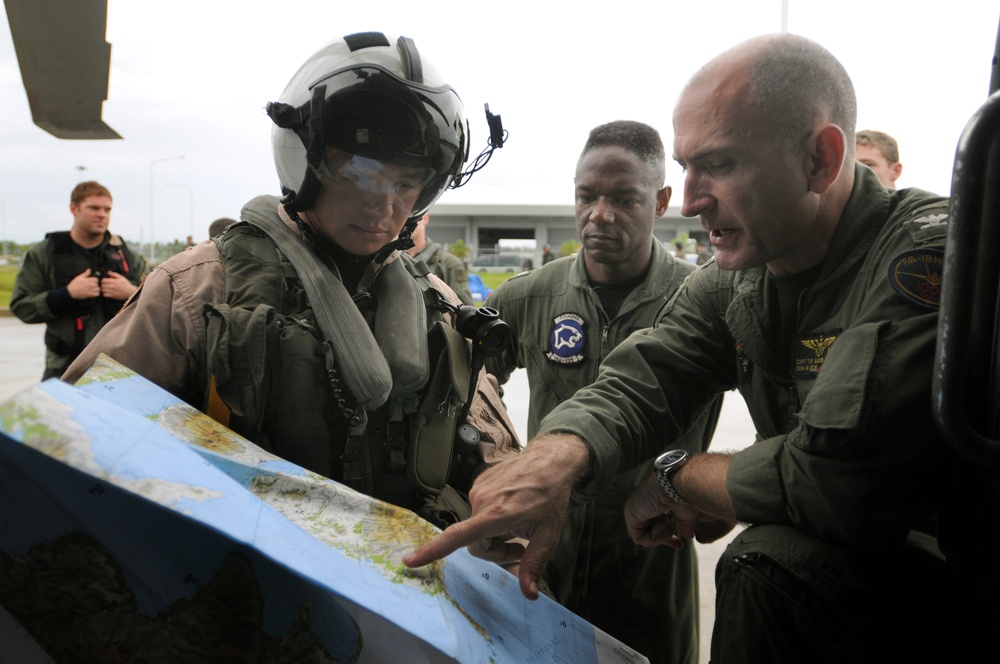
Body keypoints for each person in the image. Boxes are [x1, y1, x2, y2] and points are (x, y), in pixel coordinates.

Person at [406, 33, 971, 662]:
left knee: (767, 561)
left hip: (931, 600)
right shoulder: (737, 278)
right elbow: (652, 372)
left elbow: (836, 478)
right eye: (686, 168)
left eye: (722, 164)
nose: (695, 198)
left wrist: (683, 477)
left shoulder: (929, 257)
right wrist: (554, 457)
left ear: (820, 159)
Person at [64, 32, 520, 529]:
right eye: (362, 175)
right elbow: (74, 442)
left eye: (406, 184)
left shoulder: (439, 305)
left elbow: (497, 457)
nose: (385, 205)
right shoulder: (197, 290)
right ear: (308, 164)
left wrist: (505, 521)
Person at [484, 120, 722, 664]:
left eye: (623, 198)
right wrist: (495, 469)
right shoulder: (526, 298)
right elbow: (460, 394)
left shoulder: (708, 302)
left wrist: (714, 497)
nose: (599, 214)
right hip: (546, 562)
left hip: (655, 568)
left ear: (662, 201)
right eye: (586, 196)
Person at [11, 181, 149, 380]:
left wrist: (131, 293)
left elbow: (158, 306)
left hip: (119, 369)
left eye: (107, 209)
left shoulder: (126, 256)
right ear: (74, 209)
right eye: (93, 208)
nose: (102, 214)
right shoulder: (45, 253)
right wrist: (66, 294)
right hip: (64, 370)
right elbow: (21, 305)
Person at [406, 213, 474, 305]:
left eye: (414, 215)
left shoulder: (448, 263)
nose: (408, 221)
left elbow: (466, 308)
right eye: (403, 215)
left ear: (425, 218)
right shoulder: (389, 261)